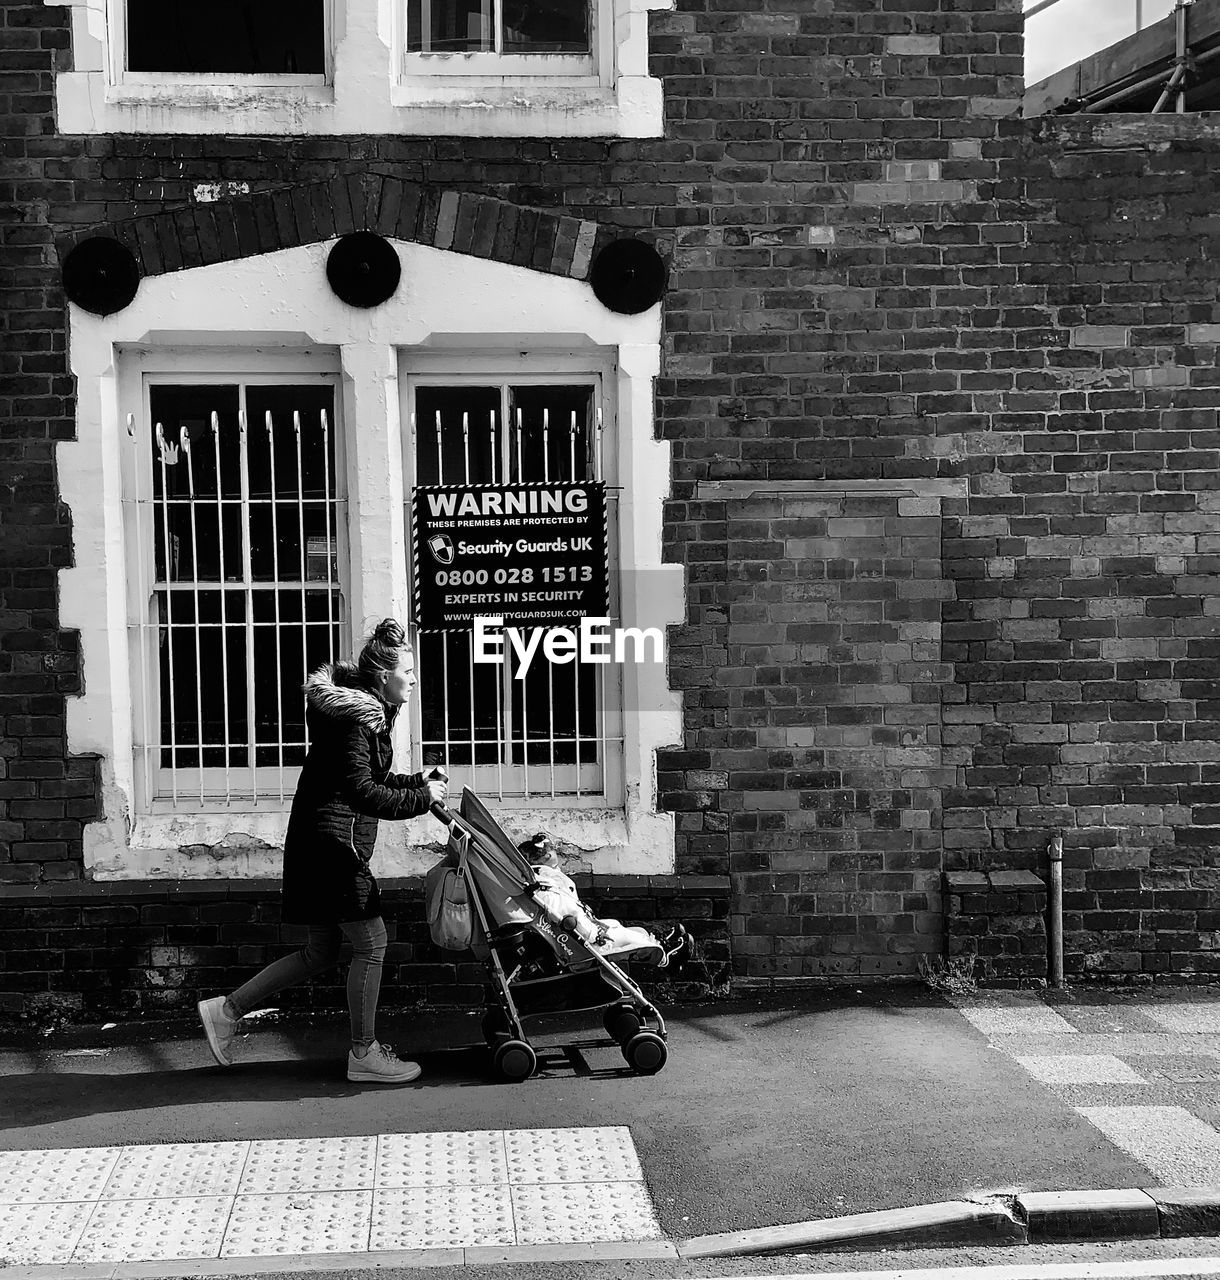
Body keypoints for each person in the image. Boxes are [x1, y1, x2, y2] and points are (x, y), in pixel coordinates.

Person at [197, 618, 447, 1085]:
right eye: (407, 673)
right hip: (334, 850)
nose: (413, 680)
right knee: (372, 945)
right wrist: (420, 800)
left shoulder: (361, 718)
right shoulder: (356, 723)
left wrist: (417, 783)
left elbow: (368, 780)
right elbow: (362, 792)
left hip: (319, 843)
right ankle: (364, 1053)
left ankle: (227, 1011)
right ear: (381, 678)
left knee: (320, 950)